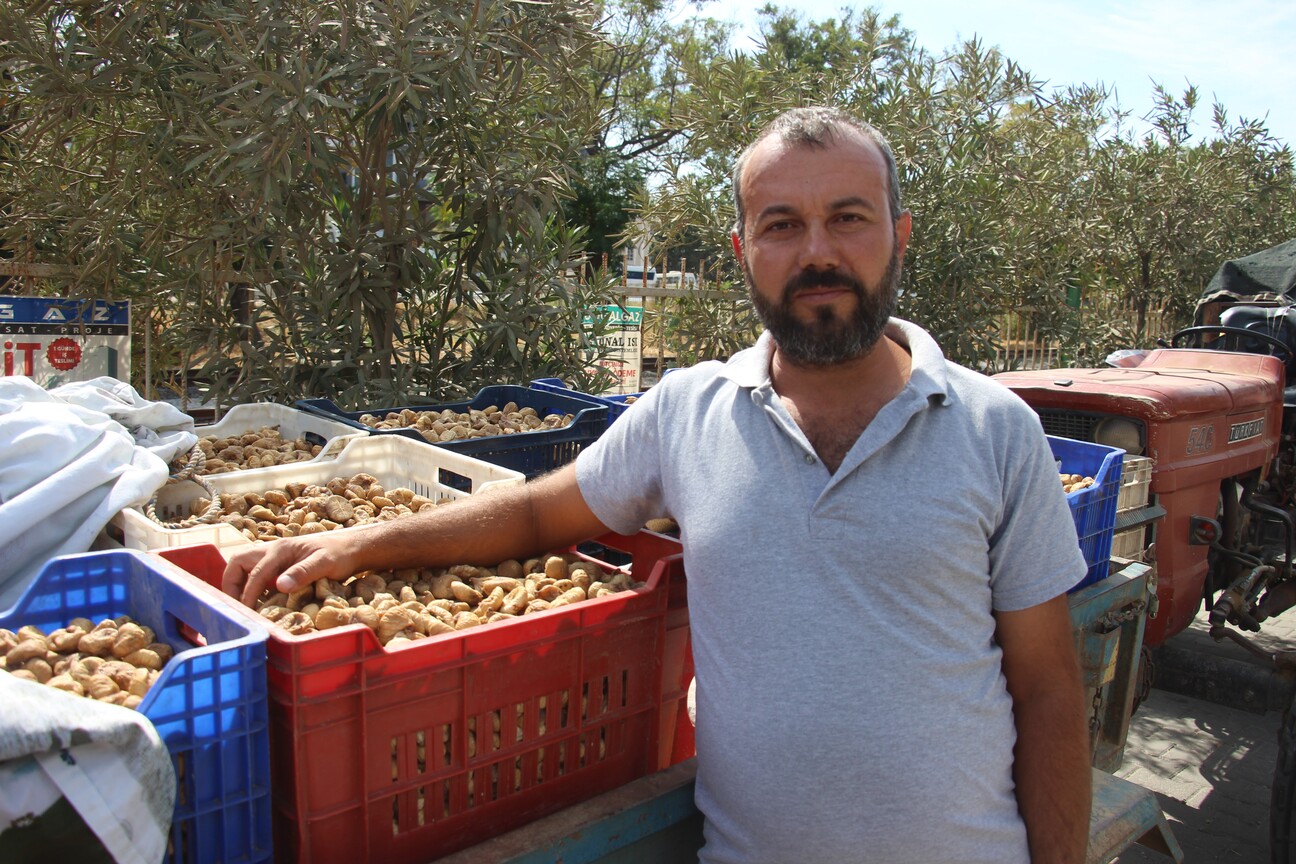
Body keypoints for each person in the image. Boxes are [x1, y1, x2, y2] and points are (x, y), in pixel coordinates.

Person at [224, 106, 1092, 864]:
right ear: (743, 252)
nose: (817, 252)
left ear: (900, 235)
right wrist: (357, 544)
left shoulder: (995, 429)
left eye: (848, 218)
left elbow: (1050, 691)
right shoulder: (687, 412)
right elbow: (534, 513)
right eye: (781, 225)